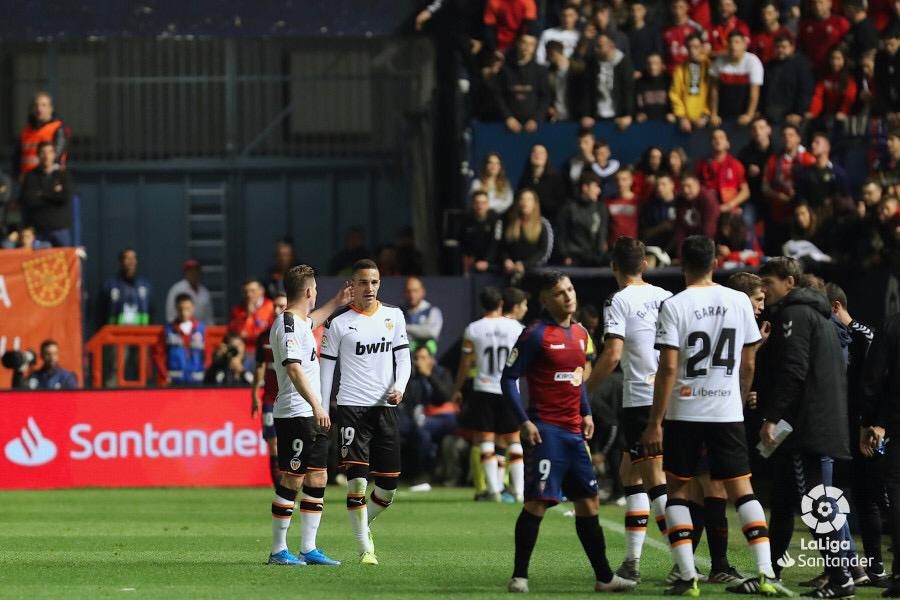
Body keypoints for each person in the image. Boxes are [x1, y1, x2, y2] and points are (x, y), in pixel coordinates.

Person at [641, 235, 786, 597]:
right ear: (715, 263)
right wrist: (734, 401)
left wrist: (654, 421)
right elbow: (749, 361)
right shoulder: (738, 300)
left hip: (684, 410)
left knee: (677, 488)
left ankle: (688, 576)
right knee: (743, 488)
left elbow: (669, 367)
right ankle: (766, 573)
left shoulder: (675, 304)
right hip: (726, 411)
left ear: (681, 262)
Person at [502, 271, 635, 594]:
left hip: (574, 433)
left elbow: (577, 379)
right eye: (559, 292)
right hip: (546, 432)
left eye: (570, 289)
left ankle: (604, 578)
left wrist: (586, 412)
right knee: (537, 503)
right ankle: (519, 576)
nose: (568, 296)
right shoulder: (535, 334)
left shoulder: (580, 334)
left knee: (589, 503)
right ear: (545, 299)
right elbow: (508, 379)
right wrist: (524, 421)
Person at [756, 257, 854, 597]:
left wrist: (772, 417)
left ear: (789, 282)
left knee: (818, 505)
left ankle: (841, 579)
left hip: (807, 428)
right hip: (818, 423)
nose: (764, 289)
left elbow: (794, 372)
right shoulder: (817, 313)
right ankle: (771, 571)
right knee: (786, 500)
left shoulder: (795, 315)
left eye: (768, 281)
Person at [585, 238, 672, 584]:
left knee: (654, 481)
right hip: (669, 393)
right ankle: (632, 563)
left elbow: (612, 355)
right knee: (630, 475)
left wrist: (584, 389)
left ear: (613, 267)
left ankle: (684, 562)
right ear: (646, 264)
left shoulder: (618, 300)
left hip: (641, 397)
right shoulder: (666, 296)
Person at [319, 259, 412, 565]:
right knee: (357, 482)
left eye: (373, 282)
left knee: (387, 490)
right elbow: (326, 370)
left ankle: (361, 523)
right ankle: (364, 549)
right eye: (362, 282)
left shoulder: (394, 316)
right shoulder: (339, 323)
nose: (369, 288)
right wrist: (322, 406)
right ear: (352, 286)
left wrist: (400, 385)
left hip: (385, 409)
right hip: (351, 409)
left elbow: (404, 359)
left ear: (379, 284)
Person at [266, 264, 341, 567]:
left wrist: (338, 302)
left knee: (318, 476)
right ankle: (277, 550)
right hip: (297, 412)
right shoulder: (285, 325)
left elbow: (313, 320)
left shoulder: (299, 322)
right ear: (309, 291)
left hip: (310, 412)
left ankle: (308, 548)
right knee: (293, 476)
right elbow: (294, 369)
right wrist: (317, 405)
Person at [452, 287, 526, 502]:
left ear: (482, 305)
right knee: (514, 440)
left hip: (484, 387)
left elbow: (466, 363)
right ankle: (519, 491)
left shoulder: (473, 329)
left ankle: (492, 490)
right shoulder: (517, 328)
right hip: (509, 388)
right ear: (501, 303)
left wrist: (457, 388)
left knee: (485, 439)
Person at [861, 312, 900, 596]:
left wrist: (875, 422)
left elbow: (876, 377)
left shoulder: (894, 324)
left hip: (894, 426)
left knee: (896, 492)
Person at [403, 345, 457, 485]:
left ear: (431, 360)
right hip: (423, 419)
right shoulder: (412, 378)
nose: (419, 361)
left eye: (423, 358)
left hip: (444, 417)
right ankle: (420, 474)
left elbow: (446, 396)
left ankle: (424, 474)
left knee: (422, 430)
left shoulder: (442, 373)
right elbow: (409, 401)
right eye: (417, 358)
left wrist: (429, 376)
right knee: (419, 433)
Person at [252, 292, 289, 487]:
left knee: (291, 446)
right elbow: (260, 367)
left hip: (291, 399)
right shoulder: (263, 338)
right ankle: (280, 490)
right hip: (269, 399)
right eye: (274, 306)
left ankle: (292, 489)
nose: (276, 310)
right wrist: (254, 396)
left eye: (281, 306)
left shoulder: (297, 334)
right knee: (273, 444)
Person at [19, 142, 73, 248]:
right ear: (38, 155)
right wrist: (53, 193)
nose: (46, 156)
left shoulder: (63, 175)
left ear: (54, 154)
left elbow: (65, 197)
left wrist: (42, 194)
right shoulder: (30, 176)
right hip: (38, 229)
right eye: (43, 153)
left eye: (49, 152)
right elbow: (29, 200)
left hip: (60, 228)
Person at [494, 34, 551, 134]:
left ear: (535, 48)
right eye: (524, 43)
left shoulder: (541, 70)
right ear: (518, 44)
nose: (527, 47)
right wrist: (508, 117)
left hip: (534, 126)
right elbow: (498, 95)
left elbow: (545, 97)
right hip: (506, 126)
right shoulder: (505, 70)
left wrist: (536, 119)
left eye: (531, 44)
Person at [578, 33, 635, 131]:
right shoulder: (592, 64)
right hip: (596, 117)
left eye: (600, 46)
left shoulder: (624, 64)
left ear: (611, 46)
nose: (596, 49)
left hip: (618, 116)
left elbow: (628, 90)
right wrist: (586, 114)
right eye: (595, 46)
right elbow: (587, 91)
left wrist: (628, 114)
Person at [709, 30, 764, 127]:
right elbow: (714, 90)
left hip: (744, 117)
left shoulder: (753, 61)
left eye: (737, 42)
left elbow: (754, 93)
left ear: (744, 45)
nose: (733, 46)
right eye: (730, 42)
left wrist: (749, 115)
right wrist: (714, 114)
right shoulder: (719, 62)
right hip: (724, 115)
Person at [556, 171, 611, 267]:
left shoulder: (601, 208)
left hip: (597, 260)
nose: (599, 191)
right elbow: (561, 235)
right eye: (596, 186)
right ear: (585, 187)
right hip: (574, 260)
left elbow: (602, 233)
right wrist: (565, 256)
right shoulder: (568, 208)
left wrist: (601, 255)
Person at [153, 294, 207, 386]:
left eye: (187, 309)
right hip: (174, 382)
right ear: (176, 309)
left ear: (193, 308)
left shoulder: (201, 330)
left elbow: (207, 354)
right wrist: (165, 375)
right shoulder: (168, 330)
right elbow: (158, 355)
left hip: (197, 382)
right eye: (180, 309)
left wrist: (206, 372)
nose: (184, 313)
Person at [761, 34, 815, 126]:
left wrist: (798, 112)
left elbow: (805, 91)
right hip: (769, 114)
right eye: (778, 47)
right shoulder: (768, 66)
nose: (780, 50)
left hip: (790, 116)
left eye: (784, 47)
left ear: (792, 47)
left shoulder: (802, 65)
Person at [500, 189, 554, 275]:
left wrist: (525, 265)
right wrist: (506, 260)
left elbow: (544, 252)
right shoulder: (510, 222)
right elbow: (503, 246)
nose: (525, 202)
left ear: (535, 203)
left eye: (529, 199)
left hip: (534, 272)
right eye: (522, 199)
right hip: (511, 272)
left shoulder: (542, 224)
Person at [17, 92, 69, 178]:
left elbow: (56, 156)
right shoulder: (26, 130)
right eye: (36, 105)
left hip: (49, 179)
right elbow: (18, 155)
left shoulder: (58, 128)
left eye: (43, 105)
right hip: (27, 179)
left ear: (51, 108)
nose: (39, 109)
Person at [669, 33, 712, 133]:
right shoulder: (680, 70)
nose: (692, 51)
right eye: (689, 47)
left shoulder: (710, 66)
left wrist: (706, 116)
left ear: (702, 47)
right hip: (685, 123)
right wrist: (682, 117)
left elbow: (713, 93)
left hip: (706, 121)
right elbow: (675, 94)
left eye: (696, 47)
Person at [227, 279, 275, 368]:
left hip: (263, 349)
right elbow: (235, 334)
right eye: (246, 292)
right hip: (243, 350)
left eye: (252, 291)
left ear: (261, 291)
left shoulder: (271, 307)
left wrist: (254, 315)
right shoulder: (237, 311)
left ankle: (243, 375)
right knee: (233, 346)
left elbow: (269, 333)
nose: (249, 295)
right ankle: (242, 374)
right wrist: (248, 315)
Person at [100, 248, 152, 326]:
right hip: (115, 334)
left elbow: (151, 311)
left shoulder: (145, 285)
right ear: (121, 262)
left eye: (133, 258)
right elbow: (100, 312)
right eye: (127, 258)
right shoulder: (110, 285)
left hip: (140, 334)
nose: (131, 262)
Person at [516, 144, 566, 224]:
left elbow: (560, 206)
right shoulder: (524, 180)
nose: (537, 155)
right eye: (534, 152)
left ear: (547, 157)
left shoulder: (556, 179)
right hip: (527, 224)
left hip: (550, 224)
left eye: (541, 153)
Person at [798, 0, 850, 75]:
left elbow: (847, 46)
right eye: (814, 3)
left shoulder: (840, 22)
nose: (817, 6)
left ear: (829, 4)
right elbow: (800, 46)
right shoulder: (805, 25)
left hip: (833, 69)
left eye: (821, 2)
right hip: (811, 70)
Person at [672, 175, 721, 254]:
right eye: (683, 187)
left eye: (689, 186)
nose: (685, 190)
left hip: (712, 241)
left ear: (697, 185)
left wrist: (705, 254)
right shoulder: (680, 200)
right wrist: (681, 255)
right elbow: (680, 231)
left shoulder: (708, 199)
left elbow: (709, 229)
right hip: (691, 241)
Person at [460, 190, 503, 273]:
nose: (480, 206)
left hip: (494, 262)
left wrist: (487, 261)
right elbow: (463, 243)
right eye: (477, 202)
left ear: (488, 205)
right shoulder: (466, 220)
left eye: (483, 203)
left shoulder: (496, 219)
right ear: (472, 204)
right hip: (473, 262)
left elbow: (496, 243)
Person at [403, 276, 444, 354]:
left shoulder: (432, 311)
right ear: (404, 292)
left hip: (425, 360)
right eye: (408, 291)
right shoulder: (398, 311)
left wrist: (405, 327)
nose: (412, 295)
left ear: (423, 292)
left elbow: (432, 332)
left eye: (415, 291)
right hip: (403, 359)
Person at [165, 259, 214, 325]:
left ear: (200, 272)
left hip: (201, 332)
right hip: (180, 330)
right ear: (185, 273)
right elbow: (171, 316)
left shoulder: (205, 292)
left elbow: (209, 318)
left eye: (196, 271)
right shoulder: (176, 289)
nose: (193, 274)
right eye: (190, 271)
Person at [663, 0, 708, 71]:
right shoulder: (665, 30)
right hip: (671, 72)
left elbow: (706, 47)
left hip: (690, 71)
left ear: (687, 8)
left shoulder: (696, 28)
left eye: (681, 7)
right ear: (671, 9)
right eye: (675, 7)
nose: (677, 11)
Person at [635, 53, 674, 123]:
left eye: (656, 63)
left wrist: (673, 114)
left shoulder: (670, 82)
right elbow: (637, 103)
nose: (652, 67)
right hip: (645, 125)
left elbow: (674, 102)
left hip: (667, 124)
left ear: (662, 65)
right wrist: (638, 113)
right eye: (649, 63)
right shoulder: (639, 82)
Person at [605, 168, 640, 244]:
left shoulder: (638, 202)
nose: (620, 183)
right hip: (613, 247)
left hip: (633, 247)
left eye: (624, 179)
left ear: (631, 181)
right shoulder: (607, 202)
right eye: (617, 180)